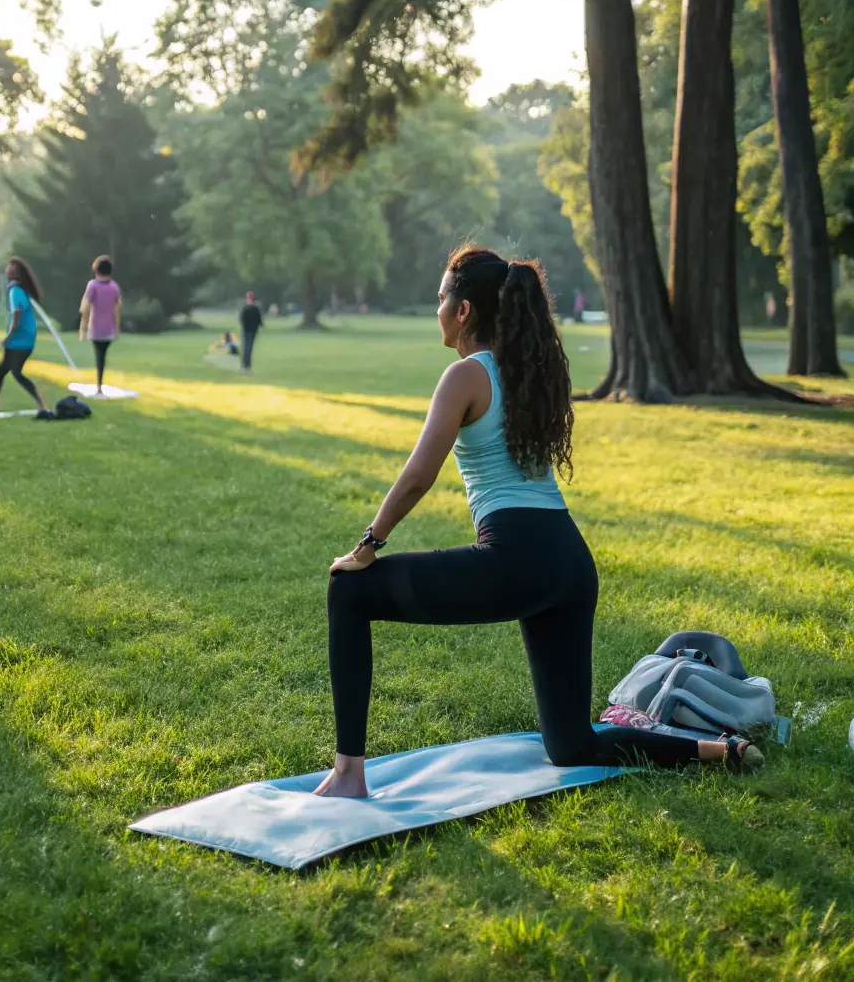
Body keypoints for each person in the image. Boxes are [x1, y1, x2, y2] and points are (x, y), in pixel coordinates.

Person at [315, 244, 763, 798]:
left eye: (440, 298)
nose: (436, 309)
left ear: (463, 311)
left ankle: (348, 776)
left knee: (348, 590)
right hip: (570, 565)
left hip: (517, 561)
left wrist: (368, 545)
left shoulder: (464, 377)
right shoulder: (529, 372)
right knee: (571, 745)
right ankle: (722, 751)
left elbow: (416, 476)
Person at [0, 257, 51, 416]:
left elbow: (17, 314)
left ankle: (42, 405)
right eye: (8, 265)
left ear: (17, 272)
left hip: (19, 339)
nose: (8, 268)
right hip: (25, 338)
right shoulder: (20, 289)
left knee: (15, 372)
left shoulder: (16, 291)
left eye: (11, 266)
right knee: (2, 370)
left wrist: (8, 337)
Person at [79, 255, 122, 395]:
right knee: (102, 356)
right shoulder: (114, 287)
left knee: (99, 355)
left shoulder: (93, 285)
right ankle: (99, 383)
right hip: (109, 329)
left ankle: (99, 385)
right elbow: (118, 308)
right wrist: (117, 327)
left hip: (96, 329)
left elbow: (85, 307)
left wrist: (82, 328)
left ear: (96, 270)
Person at [239, 290, 263, 371]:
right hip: (253, 330)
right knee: (249, 347)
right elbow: (259, 320)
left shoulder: (245, 308)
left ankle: (245, 365)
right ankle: (247, 365)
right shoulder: (256, 308)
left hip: (246, 330)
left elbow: (241, 319)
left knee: (246, 347)